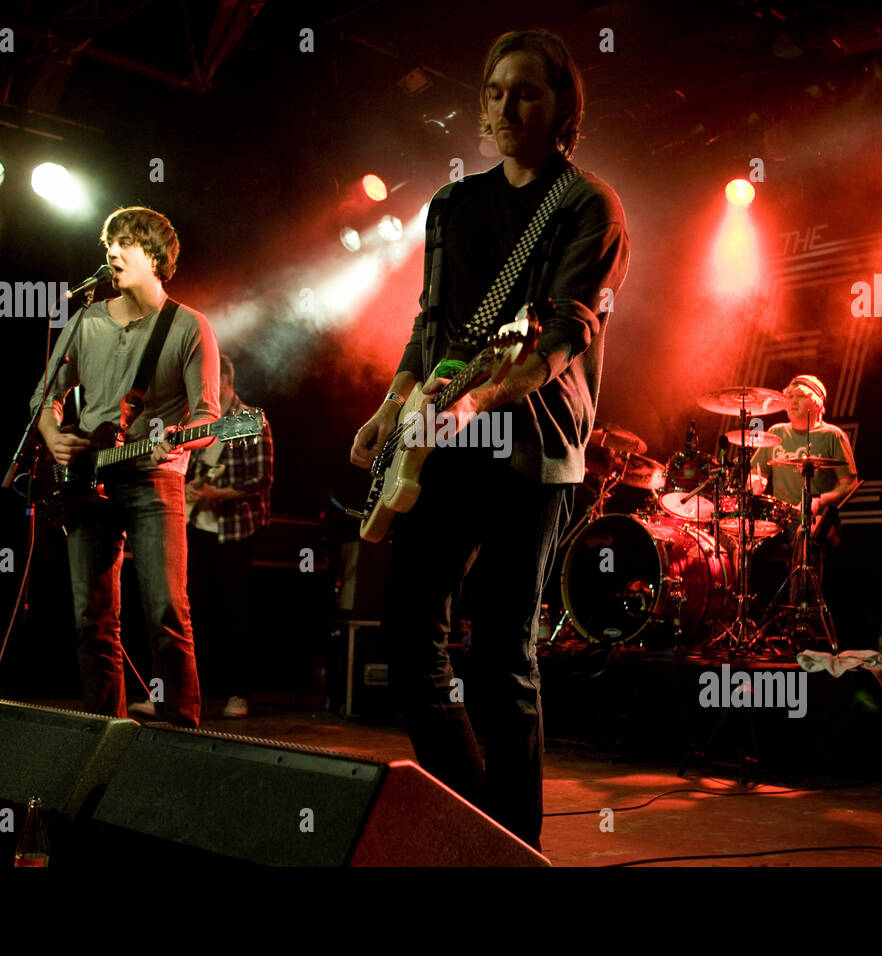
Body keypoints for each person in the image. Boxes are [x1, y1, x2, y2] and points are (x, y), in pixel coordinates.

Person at [349, 29, 629, 851]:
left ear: (564, 108)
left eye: (529, 93)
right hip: (437, 441)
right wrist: (392, 402)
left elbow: (565, 333)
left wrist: (483, 403)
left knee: (501, 657)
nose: (509, 107)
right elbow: (430, 324)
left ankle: (517, 847)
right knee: (407, 639)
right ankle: (481, 823)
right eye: (497, 92)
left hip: (531, 447)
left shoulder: (587, 205)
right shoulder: (452, 205)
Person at [29, 205, 220, 727]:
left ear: (156, 257)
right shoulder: (85, 320)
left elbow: (208, 417)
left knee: (165, 612)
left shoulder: (189, 327)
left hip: (155, 479)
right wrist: (54, 435)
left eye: (126, 244)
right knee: (91, 619)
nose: (111, 252)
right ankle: (102, 733)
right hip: (86, 478)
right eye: (108, 242)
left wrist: (173, 445)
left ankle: (181, 729)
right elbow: (43, 399)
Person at [181, 353, 273, 719]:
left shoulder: (248, 420)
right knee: (192, 608)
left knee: (236, 611)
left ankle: (239, 693)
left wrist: (217, 495)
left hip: (235, 530)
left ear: (223, 379)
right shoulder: (198, 421)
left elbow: (262, 479)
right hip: (197, 525)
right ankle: (187, 691)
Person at [748, 374, 857, 603]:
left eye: (799, 397)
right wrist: (755, 485)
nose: (792, 402)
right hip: (779, 519)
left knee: (804, 535)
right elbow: (757, 474)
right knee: (741, 537)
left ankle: (800, 615)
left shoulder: (832, 435)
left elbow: (849, 483)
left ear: (816, 402)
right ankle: (743, 610)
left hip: (818, 518)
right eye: (790, 397)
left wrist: (820, 501)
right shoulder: (777, 432)